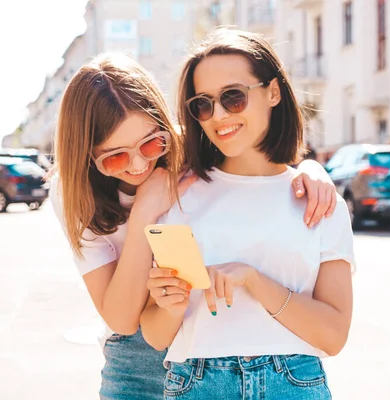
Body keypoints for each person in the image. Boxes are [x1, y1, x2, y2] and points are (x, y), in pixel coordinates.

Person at [49, 53, 339, 400]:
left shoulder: (188, 149)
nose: (140, 164)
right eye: (116, 156)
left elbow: (263, 166)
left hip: (210, 354)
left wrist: (311, 171)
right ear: (86, 155)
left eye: (152, 143)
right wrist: (145, 210)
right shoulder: (72, 190)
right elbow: (123, 319)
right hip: (135, 361)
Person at [140, 29, 354, 400]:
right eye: (203, 105)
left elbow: (333, 336)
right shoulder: (178, 196)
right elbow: (157, 336)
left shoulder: (319, 200)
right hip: (195, 384)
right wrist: (168, 305)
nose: (218, 115)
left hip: (293, 383)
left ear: (273, 92)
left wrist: (254, 280)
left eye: (233, 97)